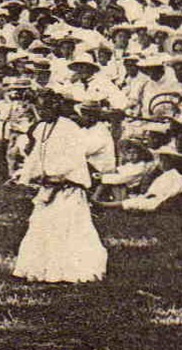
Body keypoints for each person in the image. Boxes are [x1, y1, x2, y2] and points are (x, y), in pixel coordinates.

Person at [12, 85, 115, 284]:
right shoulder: (41, 128)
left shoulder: (69, 127)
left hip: (68, 185)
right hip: (48, 185)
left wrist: (56, 175)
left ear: (55, 106)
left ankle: (71, 269)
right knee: (41, 225)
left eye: (45, 109)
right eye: (38, 110)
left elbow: (73, 158)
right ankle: (40, 267)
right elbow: (36, 156)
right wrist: (28, 175)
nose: (41, 113)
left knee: (67, 227)